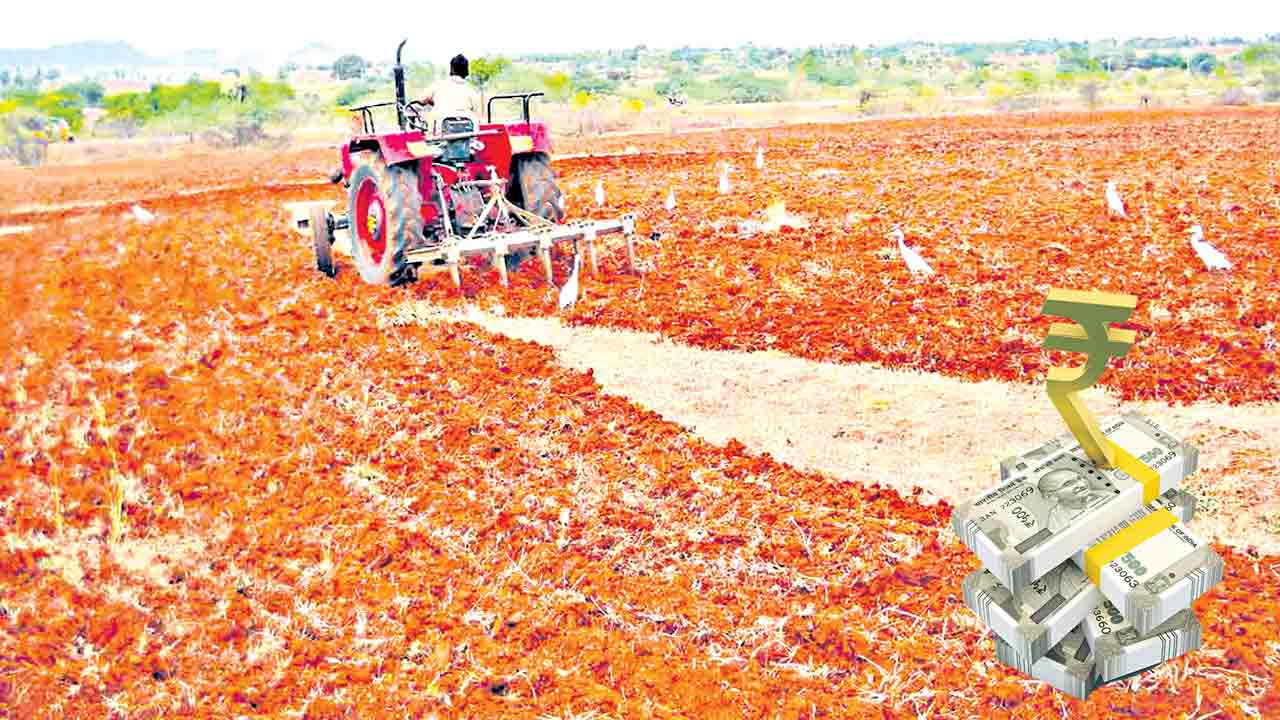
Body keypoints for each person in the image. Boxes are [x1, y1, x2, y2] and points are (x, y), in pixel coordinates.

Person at [422, 54, 482, 130]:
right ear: (466, 71)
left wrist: (431, 102)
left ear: (452, 69)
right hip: (466, 135)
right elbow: (478, 118)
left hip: (439, 134)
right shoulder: (472, 92)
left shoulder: (437, 85)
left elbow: (422, 100)